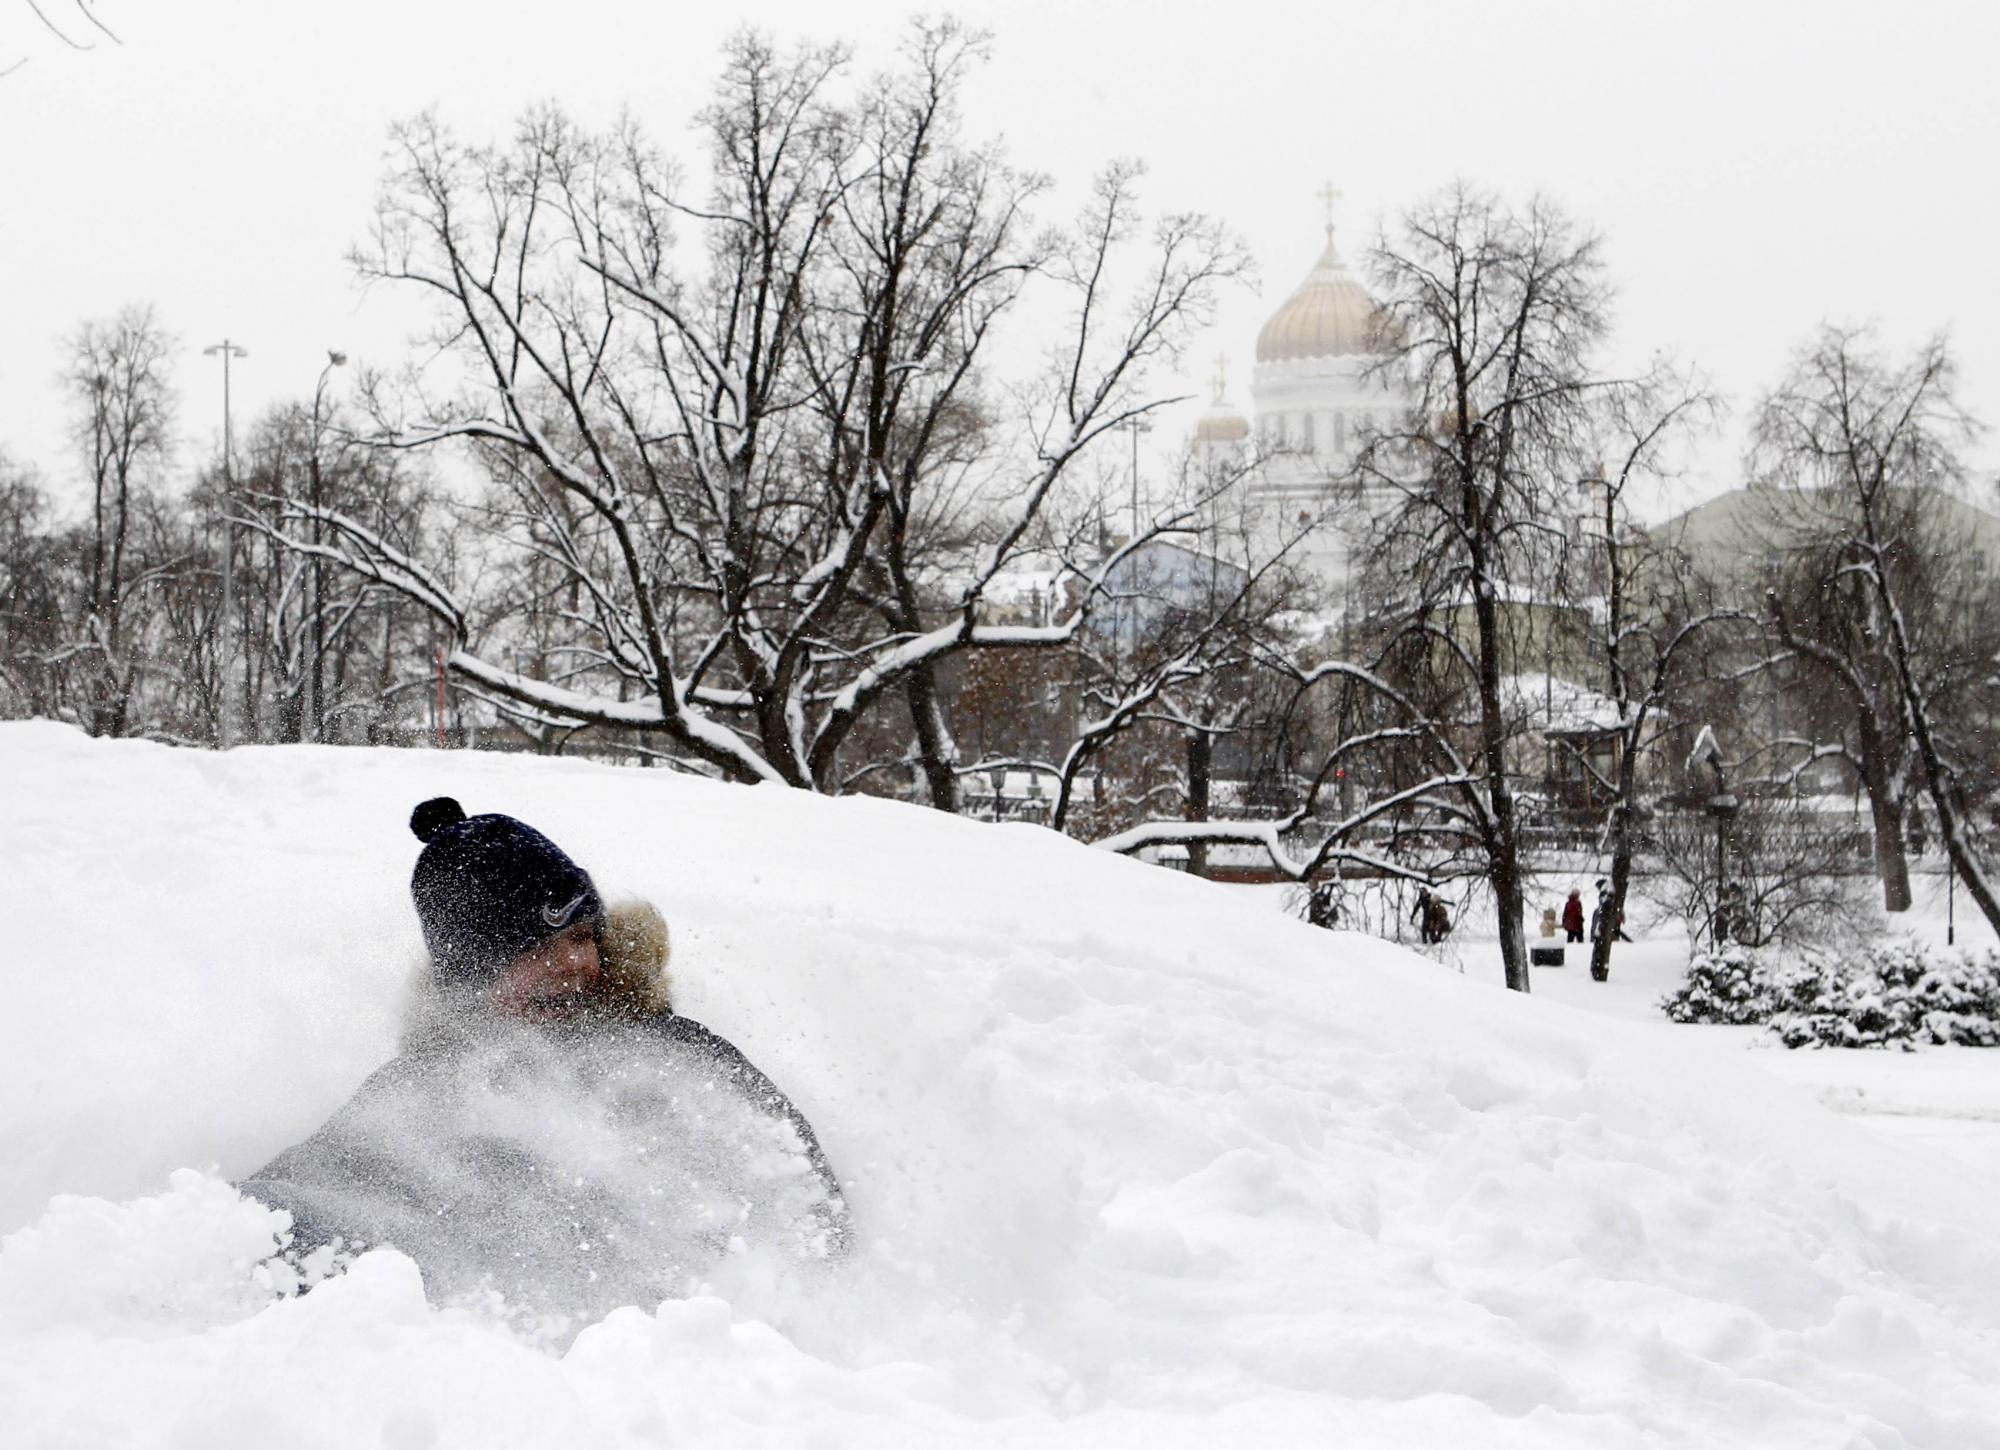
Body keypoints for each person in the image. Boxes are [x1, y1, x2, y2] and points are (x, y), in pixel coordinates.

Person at [239, 797, 849, 1318]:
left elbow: (804, 1204)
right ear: (472, 974)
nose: (576, 965)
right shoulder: (425, 1093)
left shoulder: (674, 1060)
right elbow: (298, 1201)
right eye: (535, 949)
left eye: (583, 937)